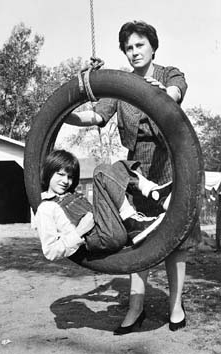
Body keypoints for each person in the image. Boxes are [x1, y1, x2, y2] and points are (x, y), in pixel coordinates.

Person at [65, 20, 201, 334]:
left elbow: (176, 93)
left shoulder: (168, 74)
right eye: (128, 48)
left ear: (153, 47)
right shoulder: (120, 85)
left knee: (175, 240)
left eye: (139, 45)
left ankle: (175, 305)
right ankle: (135, 307)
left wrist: (164, 93)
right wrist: (65, 109)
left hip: (173, 163)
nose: (133, 52)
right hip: (138, 169)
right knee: (140, 241)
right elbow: (97, 115)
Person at [36, 149, 171, 261]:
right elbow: (50, 251)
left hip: (108, 226)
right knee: (101, 172)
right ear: (48, 173)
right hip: (100, 236)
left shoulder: (71, 194)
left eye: (70, 177)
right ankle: (132, 221)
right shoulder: (46, 208)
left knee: (118, 167)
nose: (65, 181)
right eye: (60, 175)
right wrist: (79, 232)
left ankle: (155, 193)